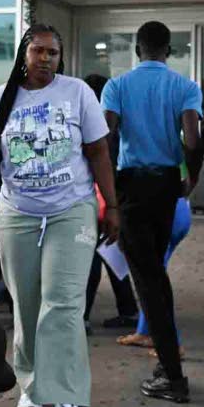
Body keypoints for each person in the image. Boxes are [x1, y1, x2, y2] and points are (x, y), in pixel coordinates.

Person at [0, 24, 118, 407]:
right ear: (23, 54)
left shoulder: (77, 92)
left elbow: (99, 150)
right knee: (26, 304)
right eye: (38, 52)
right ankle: (31, 382)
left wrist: (112, 205)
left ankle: (67, 399)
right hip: (17, 213)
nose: (46, 59)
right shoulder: (2, 97)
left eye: (53, 53)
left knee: (63, 303)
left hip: (72, 209)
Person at [102, 21, 202, 404]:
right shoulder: (185, 86)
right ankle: (166, 360)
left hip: (131, 187)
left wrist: (109, 188)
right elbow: (192, 140)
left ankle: (174, 379)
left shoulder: (117, 86)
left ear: (138, 48)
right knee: (155, 276)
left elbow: (106, 134)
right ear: (168, 50)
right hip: (165, 188)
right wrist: (190, 178)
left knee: (148, 282)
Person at [82, 72, 138, 332]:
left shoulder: (96, 125)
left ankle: (81, 316)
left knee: (90, 257)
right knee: (112, 255)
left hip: (98, 198)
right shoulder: (118, 123)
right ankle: (128, 311)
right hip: (117, 197)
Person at [117, 195, 191, 357]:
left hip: (162, 213)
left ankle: (173, 344)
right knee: (152, 280)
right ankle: (145, 332)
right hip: (179, 208)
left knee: (154, 284)